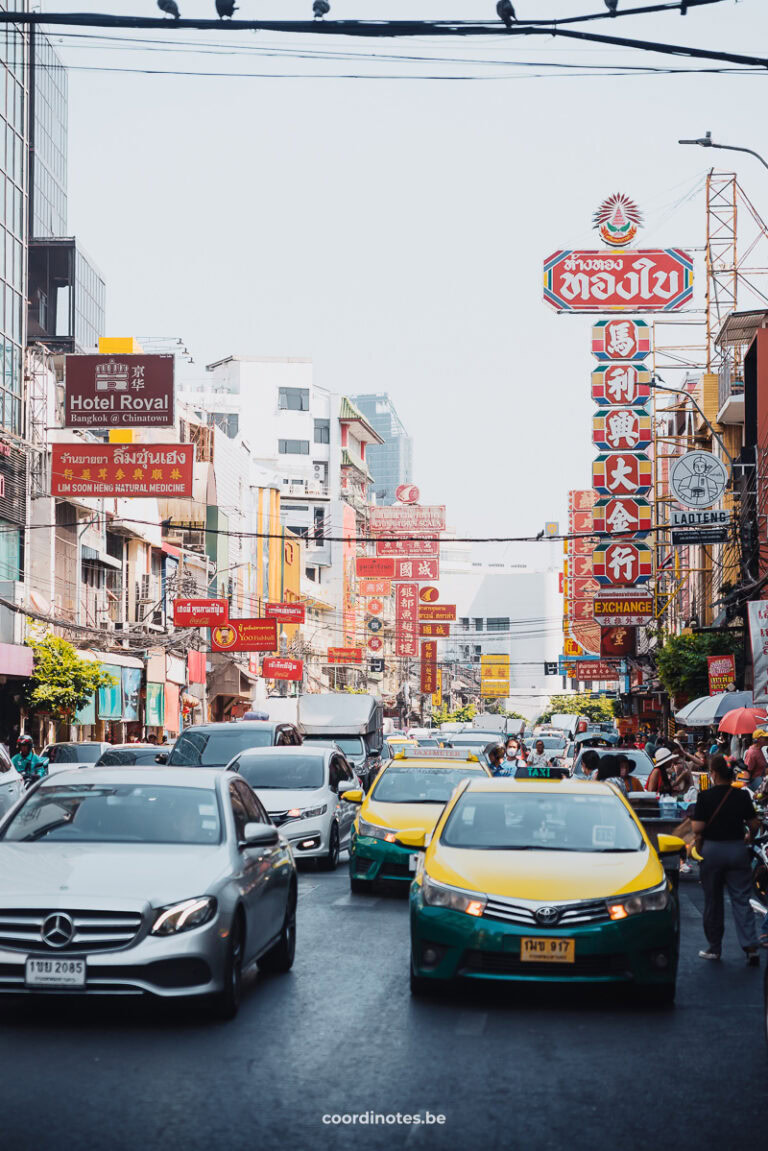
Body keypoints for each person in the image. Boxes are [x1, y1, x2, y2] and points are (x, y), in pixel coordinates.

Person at [691, 755, 761, 964]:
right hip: (737, 850)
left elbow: (697, 828)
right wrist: (748, 836)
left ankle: (714, 948)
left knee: (713, 901)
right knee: (742, 899)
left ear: (713, 773)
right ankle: (750, 947)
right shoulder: (741, 796)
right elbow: (754, 823)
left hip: (713, 851)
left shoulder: (705, 797)